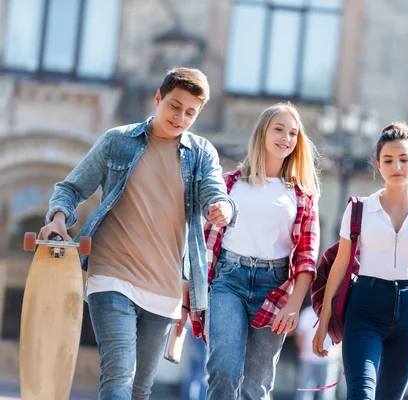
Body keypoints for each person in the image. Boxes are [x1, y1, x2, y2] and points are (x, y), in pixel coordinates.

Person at [39, 67, 237, 400]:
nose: (181, 117)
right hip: (110, 275)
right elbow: (71, 188)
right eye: (175, 106)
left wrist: (223, 208)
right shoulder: (118, 141)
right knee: (118, 378)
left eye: (191, 112)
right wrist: (59, 218)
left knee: (139, 390)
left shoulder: (201, 153)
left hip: (164, 287)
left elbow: (214, 192)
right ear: (158, 98)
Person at [189, 102, 321, 400]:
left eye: (293, 133)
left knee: (256, 386)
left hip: (273, 289)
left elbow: (306, 257)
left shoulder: (302, 195)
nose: (286, 138)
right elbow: (201, 239)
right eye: (279, 129)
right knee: (223, 370)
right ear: (262, 132)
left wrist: (294, 304)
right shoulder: (228, 183)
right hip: (227, 281)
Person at [313, 122, 408, 400]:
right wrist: (324, 320)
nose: (396, 166)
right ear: (378, 164)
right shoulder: (359, 209)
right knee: (361, 394)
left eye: (403, 159)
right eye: (388, 160)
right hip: (364, 308)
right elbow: (340, 265)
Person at [295, 305, 341, 400]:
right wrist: (304, 350)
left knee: (327, 393)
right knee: (305, 390)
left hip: (330, 359)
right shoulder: (307, 312)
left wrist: (338, 353)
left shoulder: (336, 313)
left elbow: (341, 336)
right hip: (308, 358)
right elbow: (299, 334)